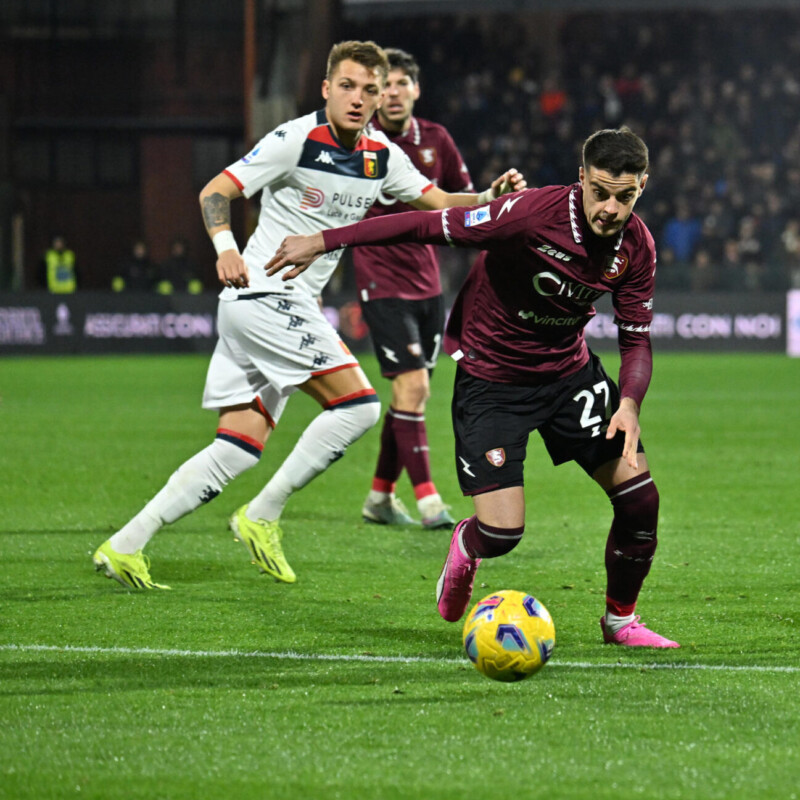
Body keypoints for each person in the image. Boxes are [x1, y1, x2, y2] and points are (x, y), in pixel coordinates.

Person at [92, 40, 524, 590]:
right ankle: (263, 514)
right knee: (362, 407)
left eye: (370, 89)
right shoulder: (296, 138)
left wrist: (489, 196)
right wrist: (225, 247)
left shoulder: (382, 155)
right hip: (263, 296)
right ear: (326, 88)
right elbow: (216, 189)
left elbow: (438, 201)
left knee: (236, 448)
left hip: (270, 307)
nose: (359, 98)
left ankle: (125, 545)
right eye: (347, 86)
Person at [266, 127, 680, 648]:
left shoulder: (637, 247)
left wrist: (628, 402)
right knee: (503, 535)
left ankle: (621, 622)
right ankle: (467, 542)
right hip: (494, 379)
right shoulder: (530, 214)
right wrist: (322, 241)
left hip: (568, 374)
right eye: (600, 192)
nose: (610, 209)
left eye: (625, 196)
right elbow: (424, 224)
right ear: (582, 179)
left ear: (642, 185)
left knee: (640, 500)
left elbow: (636, 340)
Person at [355, 48, 474, 530]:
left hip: (429, 284)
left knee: (409, 396)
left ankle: (379, 498)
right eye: (385, 84)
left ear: (416, 90)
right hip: (380, 280)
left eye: (402, 83)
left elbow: (461, 205)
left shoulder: (437, 141)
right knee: (414, 385)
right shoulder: (358, 142)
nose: (393, 92)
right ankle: (428, 502)